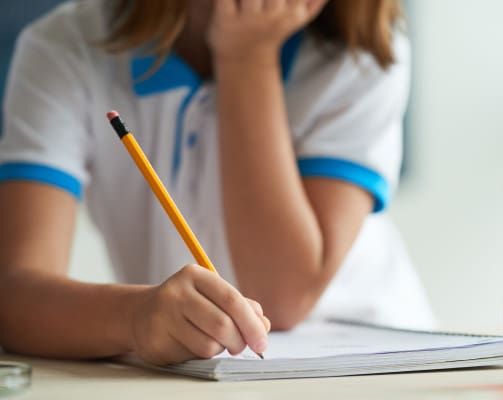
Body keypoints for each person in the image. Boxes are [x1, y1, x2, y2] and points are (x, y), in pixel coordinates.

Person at [0, 0, 435, 365]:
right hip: (191, 370)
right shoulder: (67, 46)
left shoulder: (364, 51)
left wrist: (247, 54)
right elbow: (15, 298)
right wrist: (135, 317)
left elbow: (278, 299)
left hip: (375, 367)